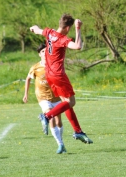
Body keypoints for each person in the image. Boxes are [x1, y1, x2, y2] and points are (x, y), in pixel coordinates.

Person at [30, 13, 93, 144]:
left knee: (65, 102)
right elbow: (78, 46)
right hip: (58, 75)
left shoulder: (49, 32)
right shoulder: (62, 39)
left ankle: (78, 131)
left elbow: (37, 29)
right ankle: (46, 116)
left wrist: (34, 28)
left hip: (49, 74)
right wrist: (78, 29)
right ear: (68, 28)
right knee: (71, 102)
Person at [23, 43, 66, 154]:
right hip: (43, 98)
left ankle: (61, 142)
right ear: (39, 54)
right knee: (51, 117)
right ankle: (60, 144)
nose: (45, 53)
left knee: (59, 121)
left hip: (56, 97)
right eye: (42, 51)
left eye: (47, 50)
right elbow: (28, 79)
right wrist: (26, 94)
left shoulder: (54, 65)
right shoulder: (35, 68)